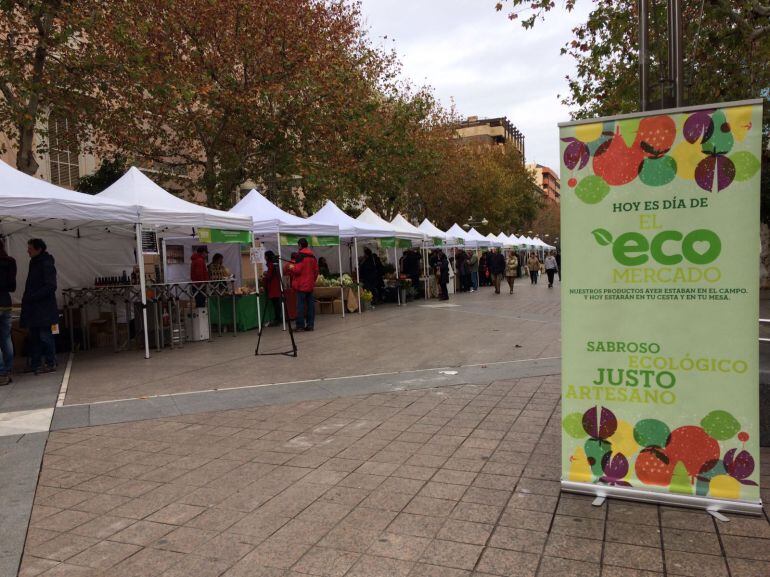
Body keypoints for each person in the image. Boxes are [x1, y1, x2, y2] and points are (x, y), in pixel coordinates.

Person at [20, 239, 58, 375]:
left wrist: (33, 296)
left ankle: (50, 362)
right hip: (35, 308)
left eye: (30, 248)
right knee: (34, 337)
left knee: (45, 336)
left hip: (44, 308)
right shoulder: (34, 262)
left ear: (39, 249)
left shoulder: (46, 263)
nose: (27, 251)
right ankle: (35, 363)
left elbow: (51, 286)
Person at [288, 238, 319, 331]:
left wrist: (291, 266)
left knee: (300, 306)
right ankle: (310, 325)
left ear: (300, 245)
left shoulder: (299, 256)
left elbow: (297, 270)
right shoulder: (313, 257)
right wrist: (312, 280)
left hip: (301, 285)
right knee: (310, 306)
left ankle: (300, 326)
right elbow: (316, 271)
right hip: (310, 284)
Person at [0, 239, 16, 385]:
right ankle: (8, 369)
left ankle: (0, 372)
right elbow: (13, 286)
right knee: (5, 338)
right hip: (6, 302)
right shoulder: (10, 262)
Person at [263, 250, 283, 326]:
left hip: (273, 287)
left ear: (267, 257)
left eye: (265, 256)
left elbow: (269, 276)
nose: (264, 257)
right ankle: (278, 318)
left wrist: (265, 274)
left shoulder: (271, 264)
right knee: (277, 304)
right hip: (276, 286)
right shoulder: (275, 264)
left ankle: (277, 319)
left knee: (276, 304)